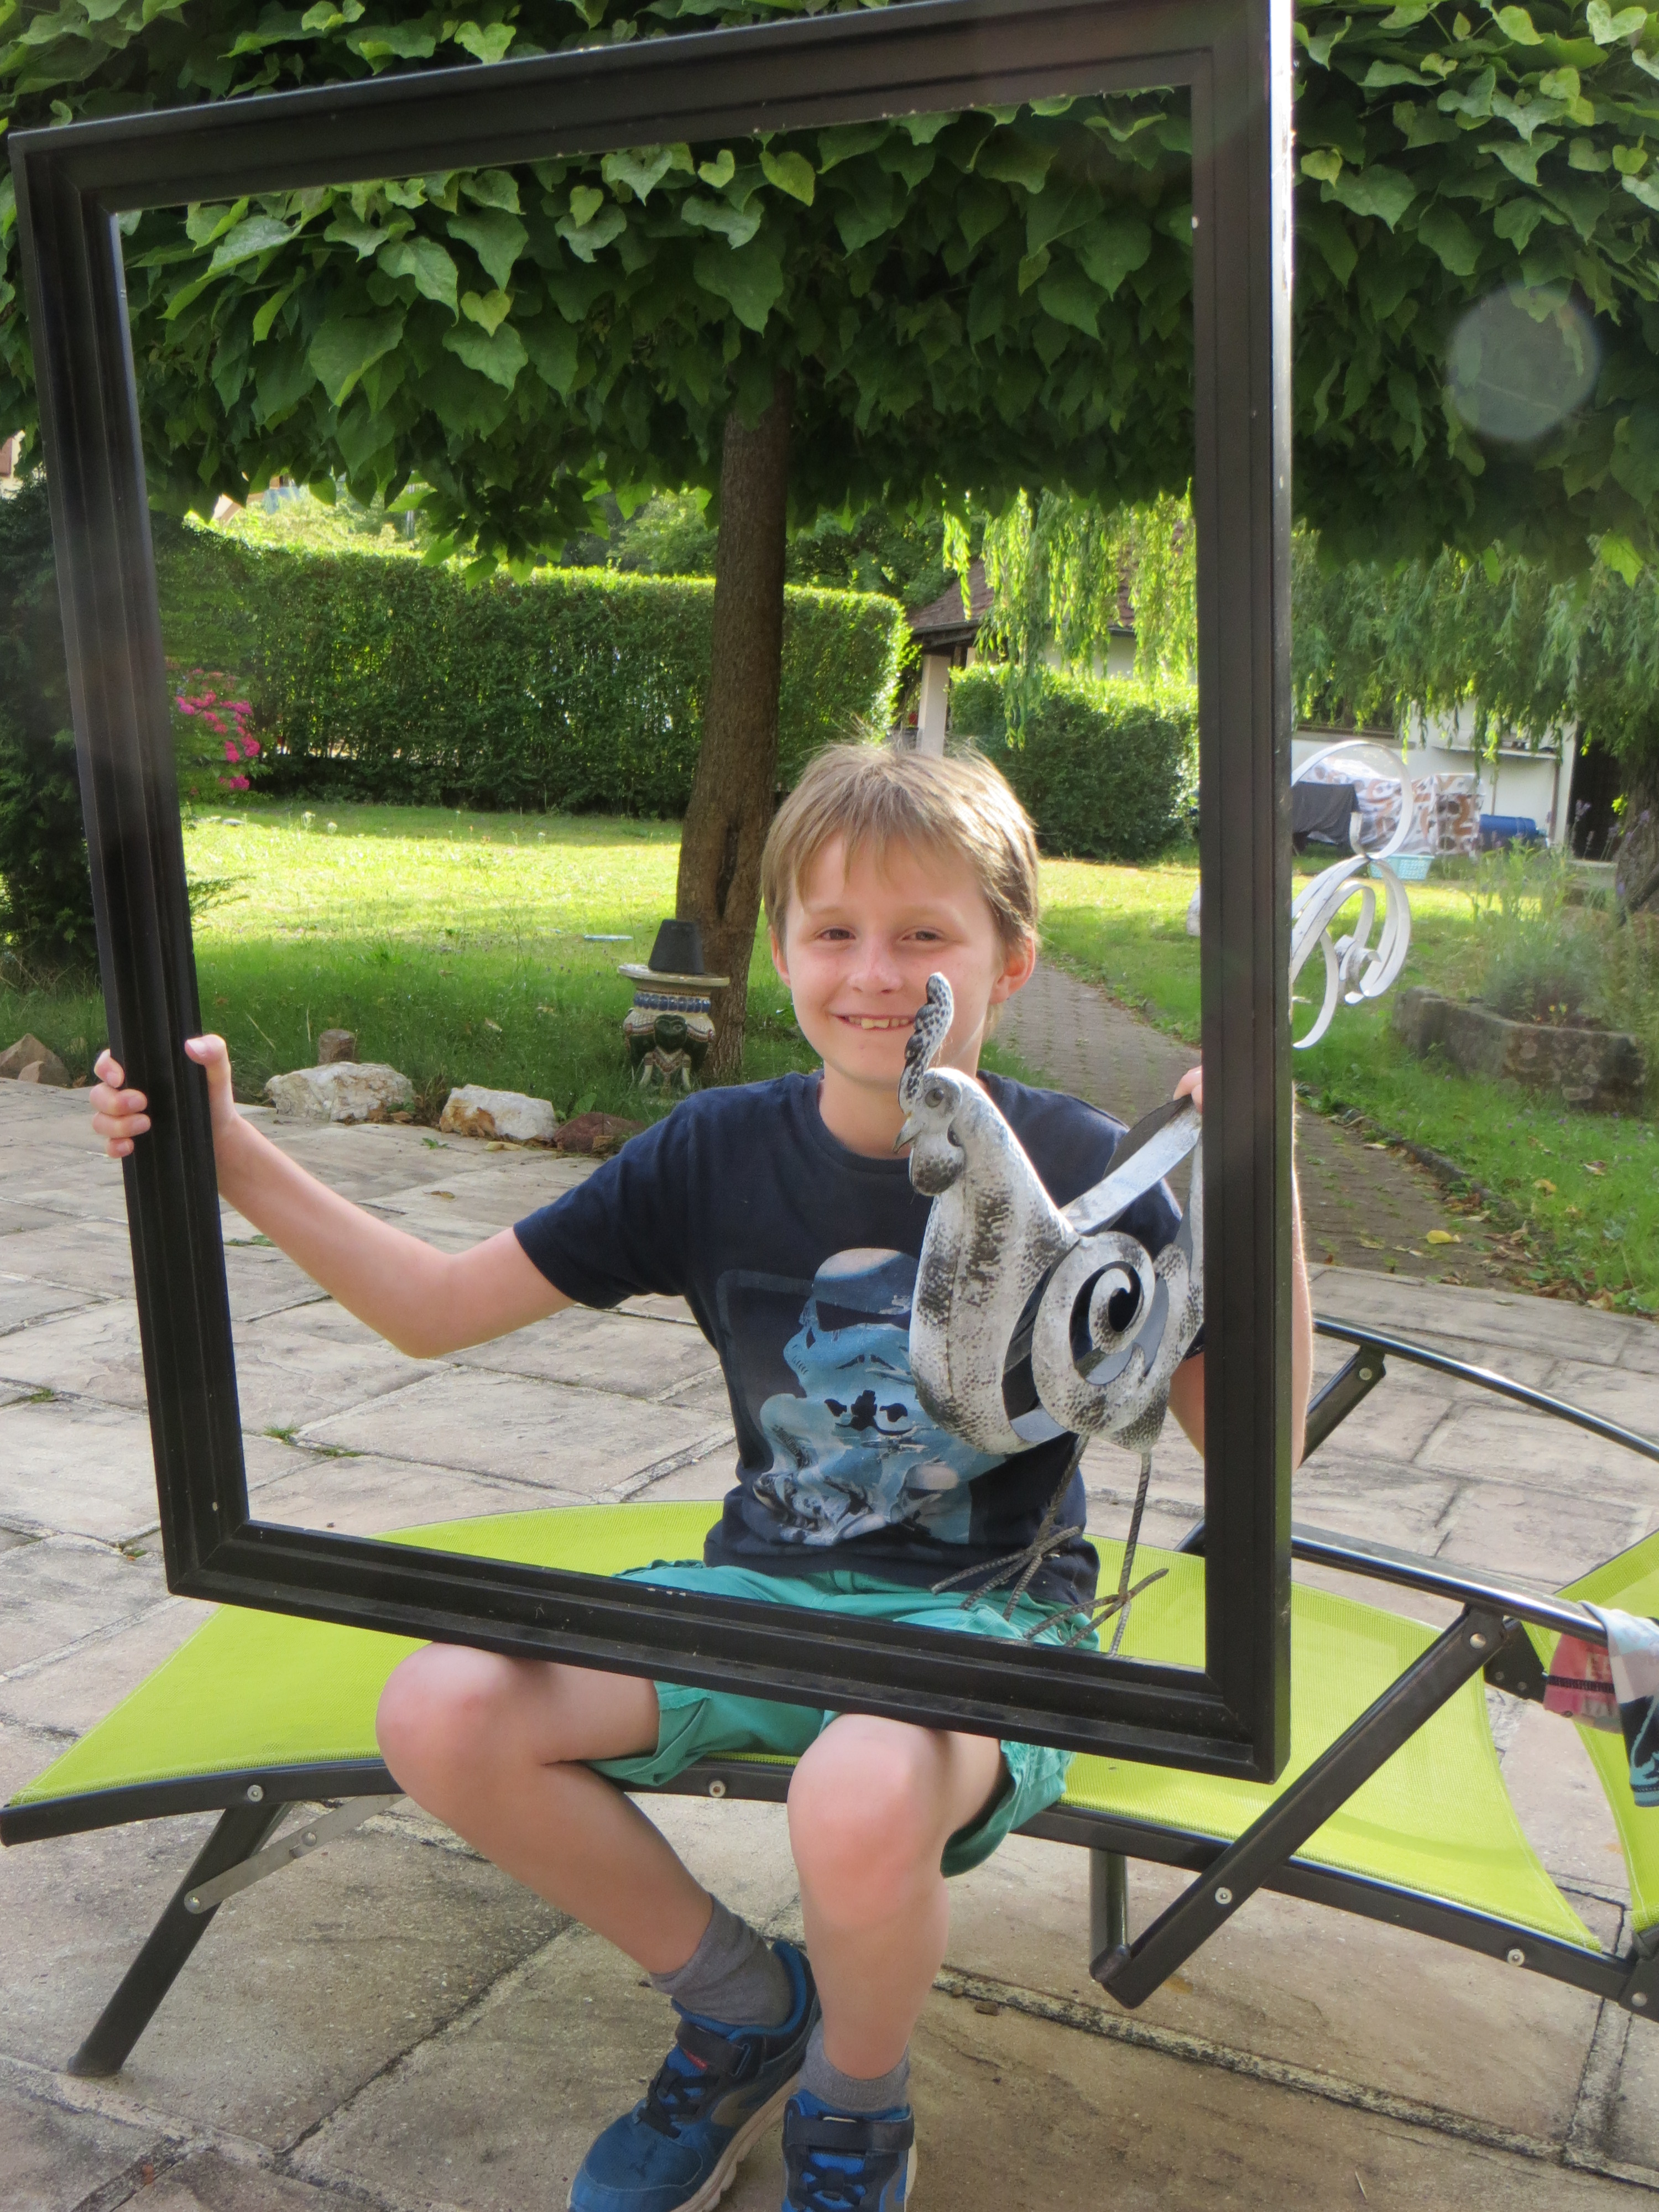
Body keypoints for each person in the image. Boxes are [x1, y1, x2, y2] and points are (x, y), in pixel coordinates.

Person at [92, 744, 1313, 2212]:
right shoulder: (713, 1151)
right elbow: (429, 1307)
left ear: (1011, 960)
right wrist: (226, 1151)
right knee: (439, 1709)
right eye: (834, 932)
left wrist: (1264, 1173)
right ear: (779, 953)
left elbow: (1260, 1457)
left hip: (988, 1630)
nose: (877, 974)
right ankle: (745, 2008)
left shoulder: (1083, 1170)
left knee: (858, 1792)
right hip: (758, 1600)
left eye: (925, 934)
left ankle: (854, 2113)